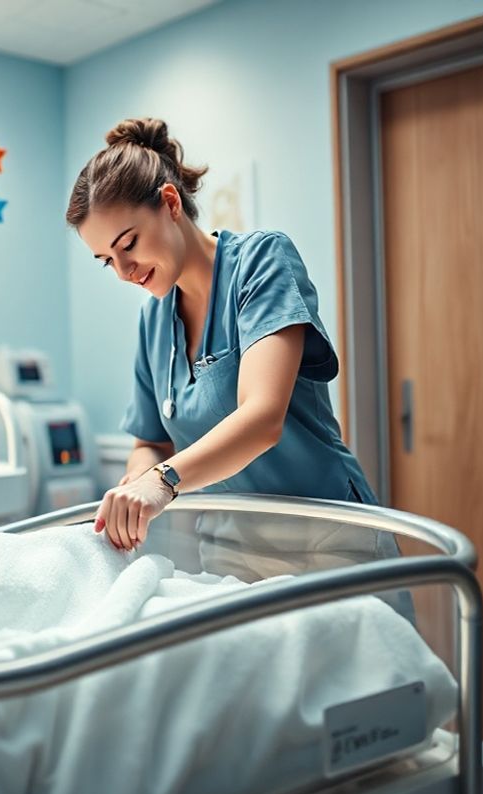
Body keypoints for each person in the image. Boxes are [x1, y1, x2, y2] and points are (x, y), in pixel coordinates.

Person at [67, 118, 381, 552]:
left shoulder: (261, 262)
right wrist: (138, 477)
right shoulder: (154, 319)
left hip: (324, 536)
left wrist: (163, 480)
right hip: (229, 547)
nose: (123, 272)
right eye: (106, 260)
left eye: (129, 244)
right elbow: (151, 441)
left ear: (170, 203)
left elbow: (263, 418)